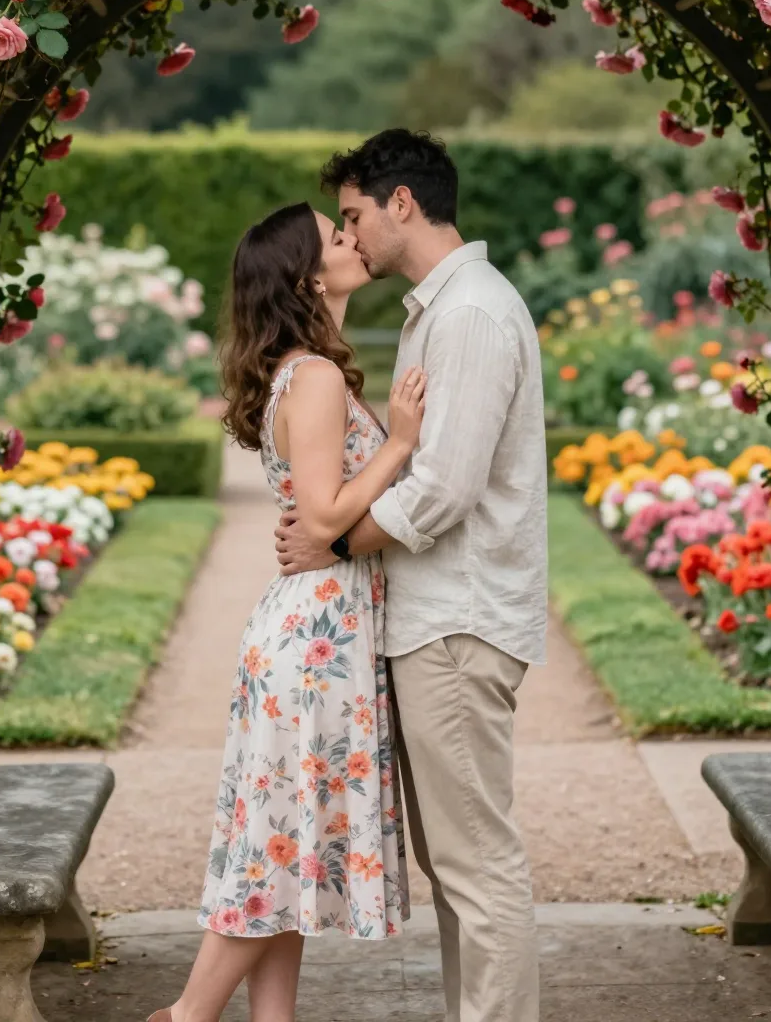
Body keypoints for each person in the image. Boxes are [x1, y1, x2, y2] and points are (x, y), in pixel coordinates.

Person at [276, 129, 549, 1022]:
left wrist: (337, 545)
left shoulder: (468, 311)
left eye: (353, 215)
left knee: (478, 864)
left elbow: (445, 487)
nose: (349, 237)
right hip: (436, 621)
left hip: (457, 625)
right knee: (460, 866)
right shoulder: (440, 307)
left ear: (402, 203)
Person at [151, 201, 423, 1022]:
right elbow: (326, 513)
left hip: (314, 628)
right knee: (272, 857)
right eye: (334, 234)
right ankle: (188, 1017)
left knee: (287, 847)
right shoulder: (314, 376)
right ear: (307, 275)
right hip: (315, 639)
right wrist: (402, 445)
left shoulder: (305, 371)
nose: (352, 237)